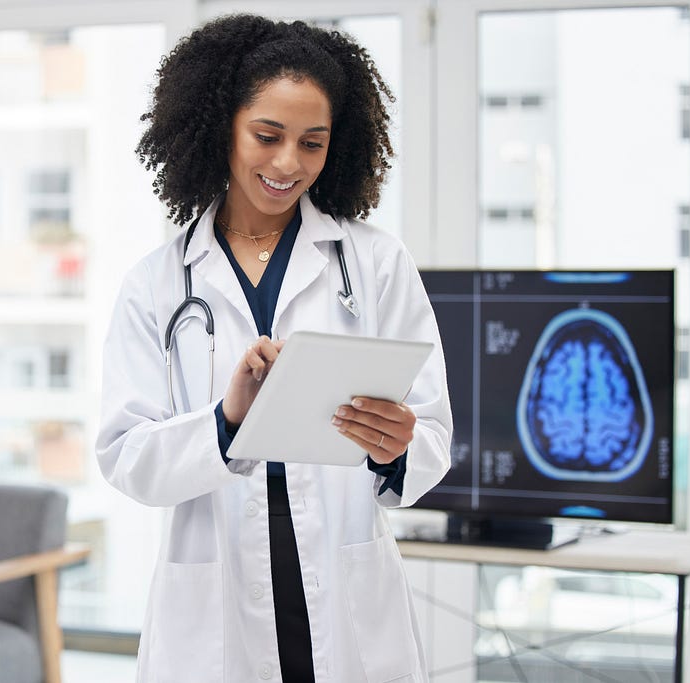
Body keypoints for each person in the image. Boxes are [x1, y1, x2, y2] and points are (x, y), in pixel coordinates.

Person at [96, 14, 452, 683]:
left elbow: (430, 434)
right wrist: (226, 421)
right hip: (216, 597)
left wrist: (399, 446)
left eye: (312, 143)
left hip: (345, 590)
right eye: (267, 135)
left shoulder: (374, 263)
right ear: (221, 125)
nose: (289, 163)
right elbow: (127, 456)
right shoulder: (157, 283)